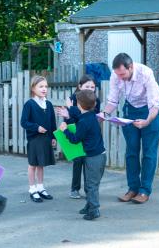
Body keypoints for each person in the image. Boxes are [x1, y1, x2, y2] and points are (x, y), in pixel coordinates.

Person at [98, 53, 159, 204]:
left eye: (123, 74)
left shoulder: (146, 73)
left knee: (149, 153)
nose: (120, 77)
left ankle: (145, 190)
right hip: (129, 111)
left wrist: (147, 121)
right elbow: (113, 101)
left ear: (131, 67)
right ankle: (133, 188)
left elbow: (155, 104)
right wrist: (104, 114)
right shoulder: (116, 75)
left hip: (149, 112)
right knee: (131, 152)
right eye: (118, 74)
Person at [59, 89, 106, 220]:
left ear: (79, 104)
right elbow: (77, 114)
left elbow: (75, 139)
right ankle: (89, 205)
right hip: (98, 156)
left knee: (91, 185)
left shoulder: (84, 122)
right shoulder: (91, 116)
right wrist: (68, 113)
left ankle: (94, 210)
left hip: (93, 158)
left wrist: (64, 130)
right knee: (91, 183)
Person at [56, 75, 101, 199]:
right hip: (75, 133)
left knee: (88, 162)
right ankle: (75, 189)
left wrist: (70, 111)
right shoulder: (72, 99)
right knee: (77, 161)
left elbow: (88, 116)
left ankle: (88, 190)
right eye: (87, 86)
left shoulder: (94, 100)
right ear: (80, 87)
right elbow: (70, 119)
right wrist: (69, 114)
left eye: (93, 87)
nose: (90, 89)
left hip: (87, 135)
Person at [21, 76, 57, 203]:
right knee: (33, 164)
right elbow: (24, 122)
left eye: (46, 86)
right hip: (34, 139)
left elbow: (53, 122)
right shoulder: (29, 104)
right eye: (40, 86)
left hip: (46, 139)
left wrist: (53, 137)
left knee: (41, 164)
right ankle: (32, 189)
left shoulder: (48, 104)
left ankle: (41, 187)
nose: (44, 89)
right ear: (33, 88)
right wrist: (36, 127)